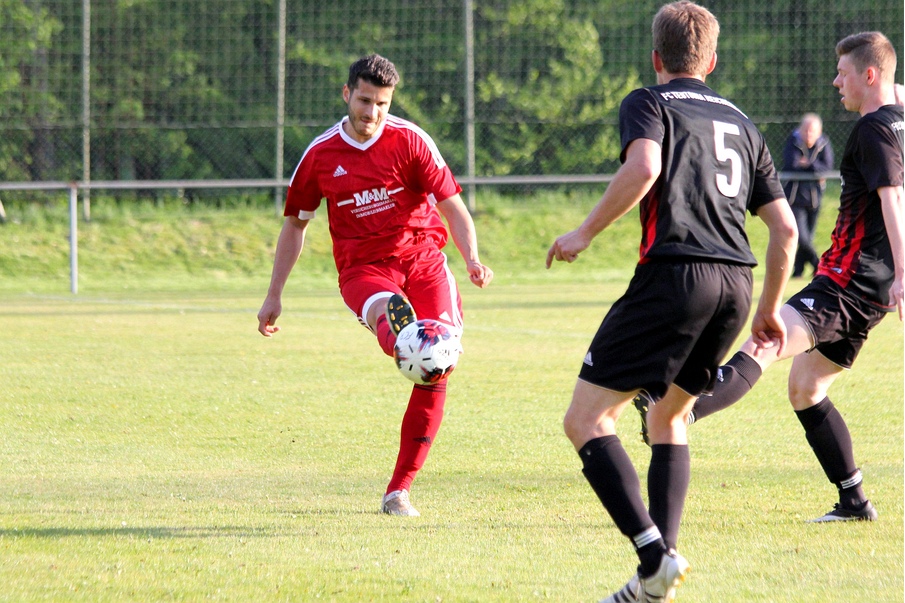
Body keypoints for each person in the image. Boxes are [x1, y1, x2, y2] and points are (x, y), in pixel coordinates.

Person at [546, 2, 797, 601]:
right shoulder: (742, 121)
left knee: (586, 420)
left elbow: (645, 166)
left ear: (657, 58)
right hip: (737, 284)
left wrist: (582, 232)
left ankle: (654, 556)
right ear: (711, 61)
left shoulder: (649, 101)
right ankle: (658, 576)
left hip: (675, 279)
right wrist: (768, 309)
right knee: (669, 416)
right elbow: (785, 230)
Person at [644, 31, 904, 524]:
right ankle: (853, 501)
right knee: (806, 389)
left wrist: (903, 271)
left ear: (869, 76)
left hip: (848, 283)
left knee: (764, 342)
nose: (835, 82)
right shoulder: (897, 121)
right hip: (868, 288)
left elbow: (892, 198)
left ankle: (679, 410)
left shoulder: (873, 130)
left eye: (843, 73)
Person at [257, 54, 493, 517]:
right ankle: (403, 336)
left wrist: (472, 259)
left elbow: (451, 205)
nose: (371, 113)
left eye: (381, 104)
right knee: (400, 325)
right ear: (347, 94)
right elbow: (295, 226)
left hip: (423, 261)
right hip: (364, 271)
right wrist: (274, 294)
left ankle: (398, 490)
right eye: (364, 101)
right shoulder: (321, 155)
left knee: (438, 362)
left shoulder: (410, 141)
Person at [782, 113, 834, 277]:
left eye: (812, 131)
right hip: (795, 198)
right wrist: (813, 168)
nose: (808, 134)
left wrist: (808, 163)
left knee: (808, 238)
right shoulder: (793, 140)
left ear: (819, 132)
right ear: (800, 129)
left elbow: (827, 167)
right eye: (806, 130)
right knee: (802, 237)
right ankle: (819, 265)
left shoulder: (824, 143)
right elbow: (791, 164)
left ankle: (798, 271)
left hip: (814, 198)